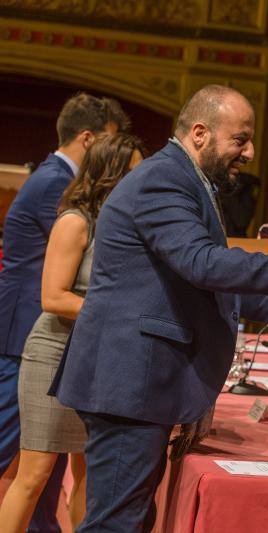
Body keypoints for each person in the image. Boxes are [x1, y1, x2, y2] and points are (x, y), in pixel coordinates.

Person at [51, 85, 268, 531]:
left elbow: (205, 282)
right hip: (131, 385)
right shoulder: (164, 179)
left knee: (130, 520)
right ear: (199, 132)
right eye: (240, 139)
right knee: (115, 524)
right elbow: (204, 265)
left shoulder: (186, 179)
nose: (250, 151)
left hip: (140, 385)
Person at [0, 133, 144, 532]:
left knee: (89, 474)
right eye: (133, 172)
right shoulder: (75, 220)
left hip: (96, 357)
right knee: (34, 472)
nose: (142, 181)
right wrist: (118, 315)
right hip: (53, 353)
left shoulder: (120, 225)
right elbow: (53, 297)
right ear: (110, 175)